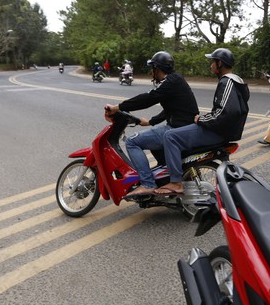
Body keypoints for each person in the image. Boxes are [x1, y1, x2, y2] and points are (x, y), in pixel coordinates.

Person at [105, 51, 199, 197]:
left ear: (157, 68)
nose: (151, 72)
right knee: (151, 138)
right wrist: (151, 121)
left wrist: (117, 107)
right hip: (184, 128)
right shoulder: (176, 80)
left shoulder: (169, 82)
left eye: (152, 68)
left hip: (177, 130)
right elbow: (172, 108)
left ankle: (148, 184)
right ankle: (163, 178)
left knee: (132, 141)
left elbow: (148, 99)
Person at [161, 48, 250, 195]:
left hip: (218, 132)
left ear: (219, 63)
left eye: (212, 62)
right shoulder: (236, 81)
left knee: (170, 136)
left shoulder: (227, 81)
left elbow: (227, 111)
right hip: (224, 132)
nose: (211, 66)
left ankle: (175, 182)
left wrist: (202, 119)